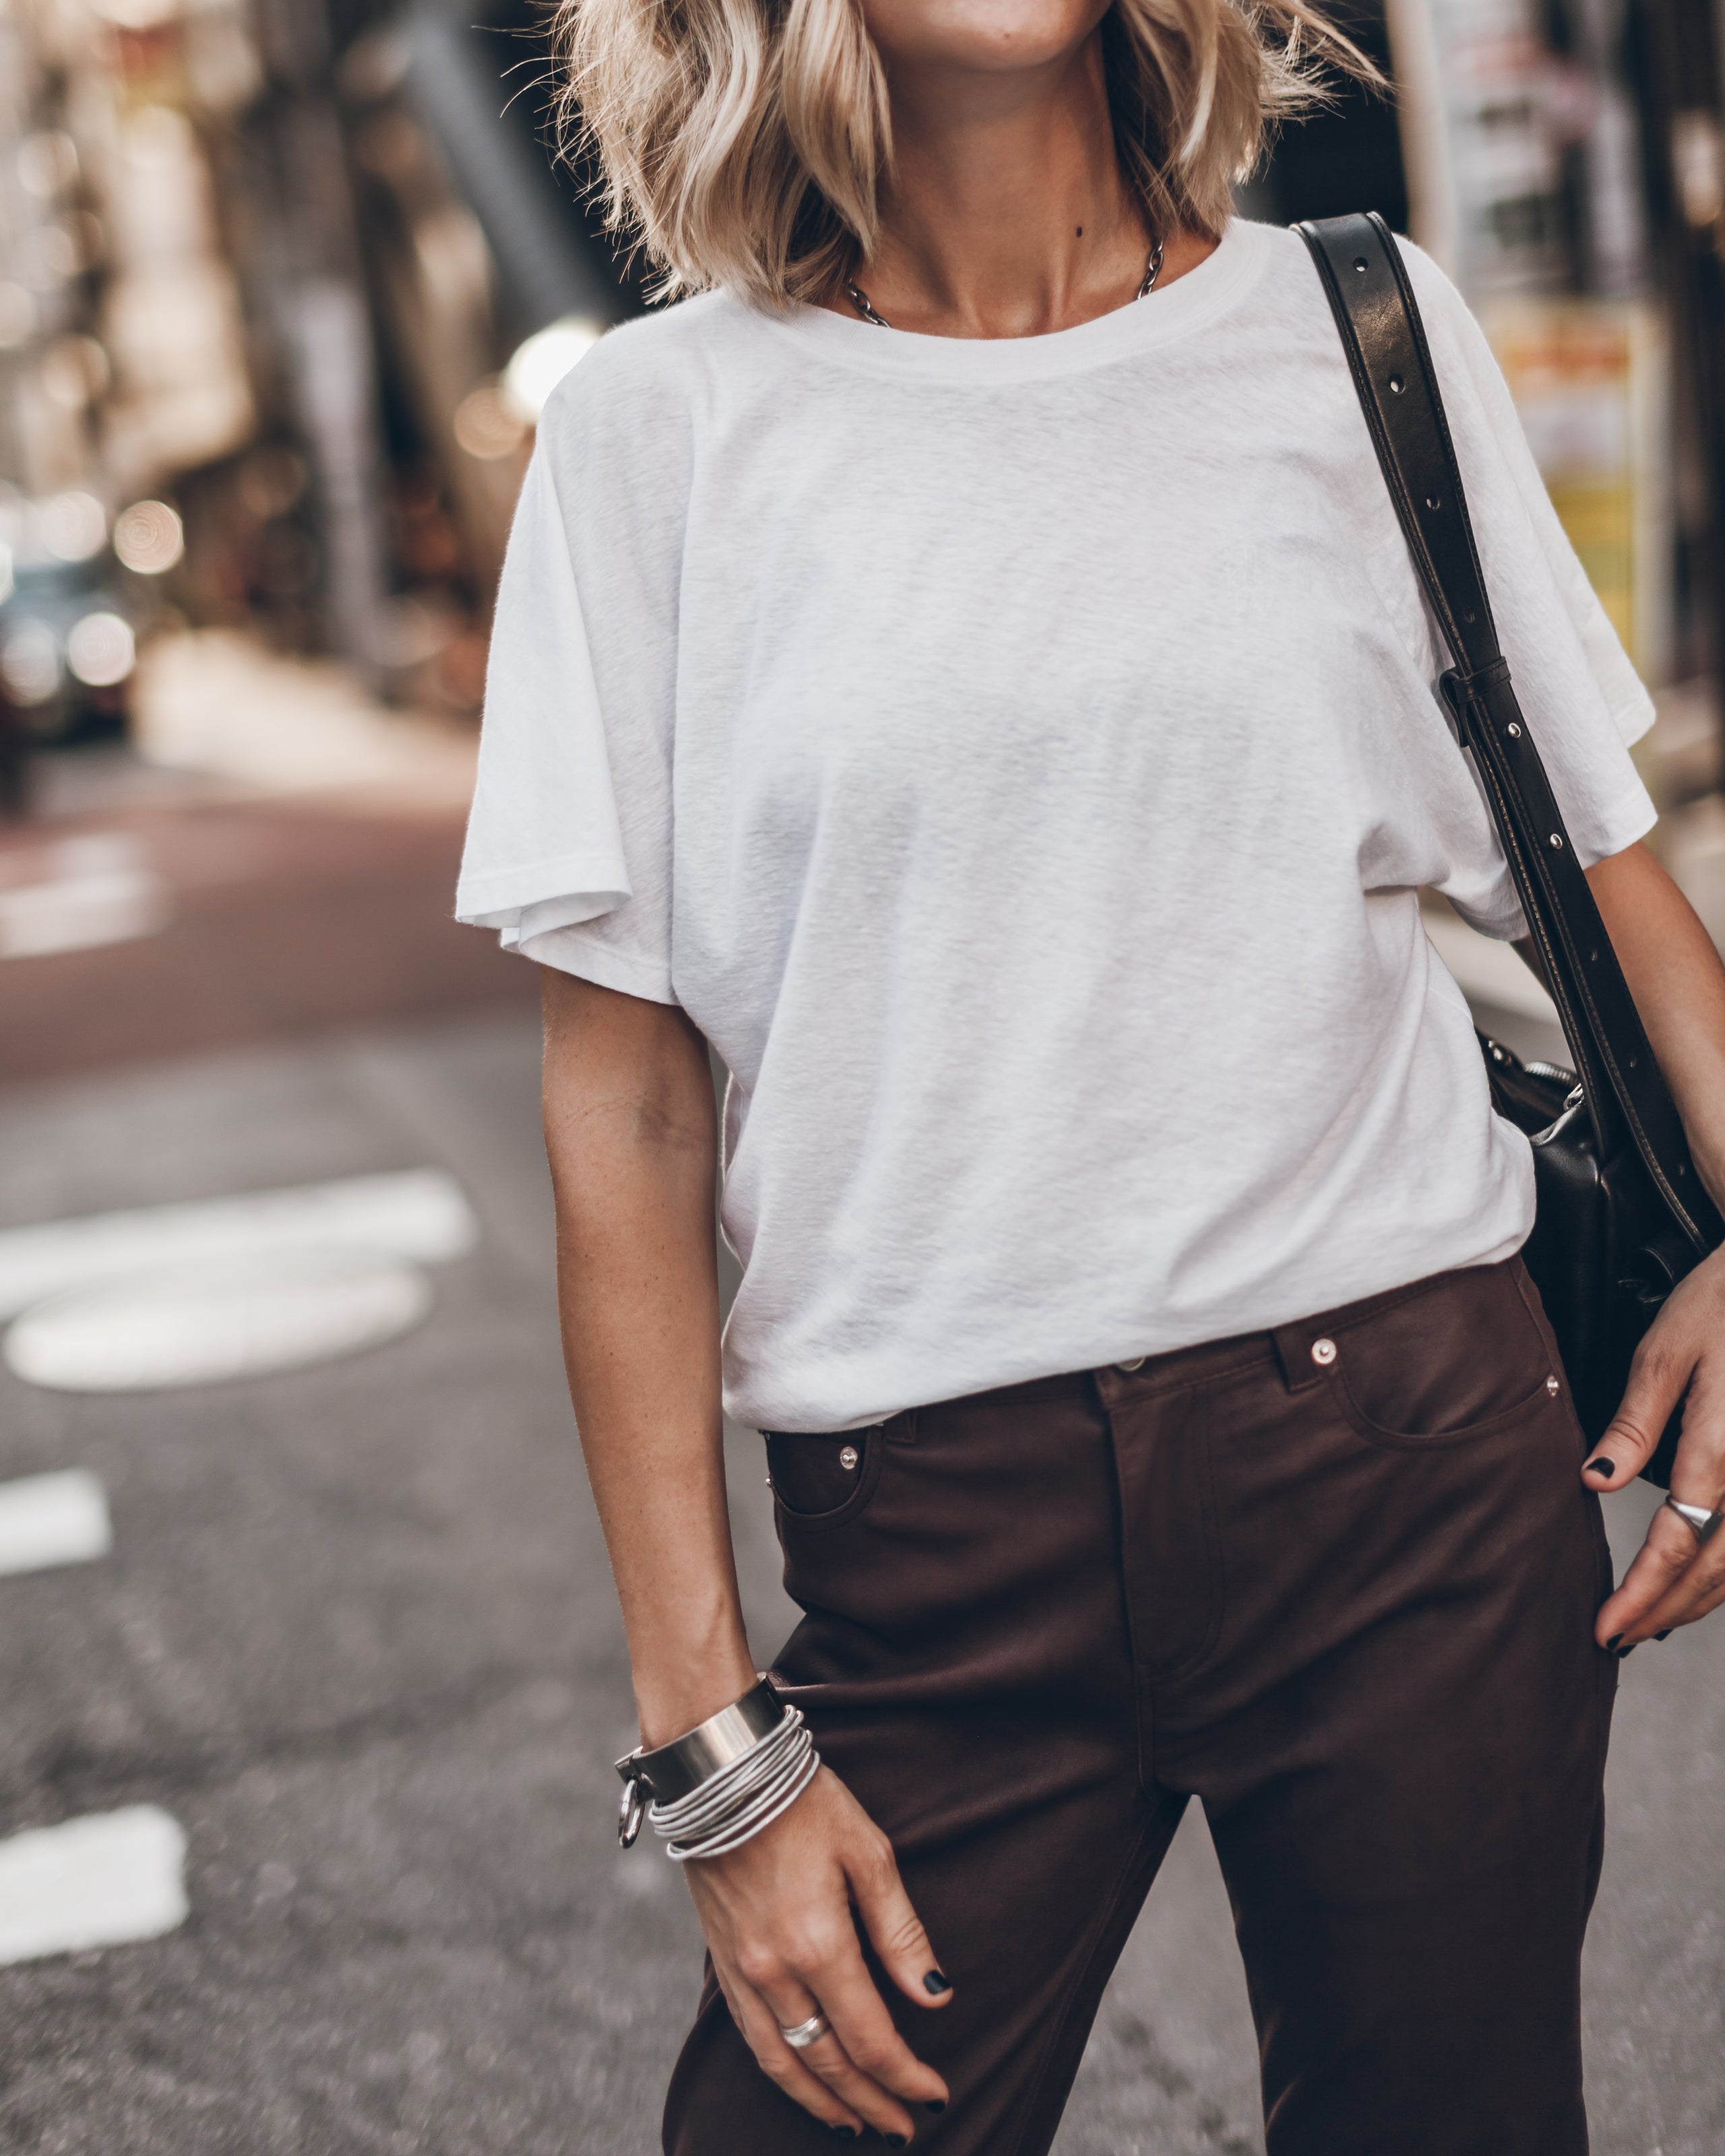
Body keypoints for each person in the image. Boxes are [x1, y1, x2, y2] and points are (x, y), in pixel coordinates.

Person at [455, 1, 1725, 2148]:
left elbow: (1596, 873)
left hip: (1414, 1471)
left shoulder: (1359, 331)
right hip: (941, 1544)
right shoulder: (653, 436)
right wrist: (711, 1748)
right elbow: (631, 1110)